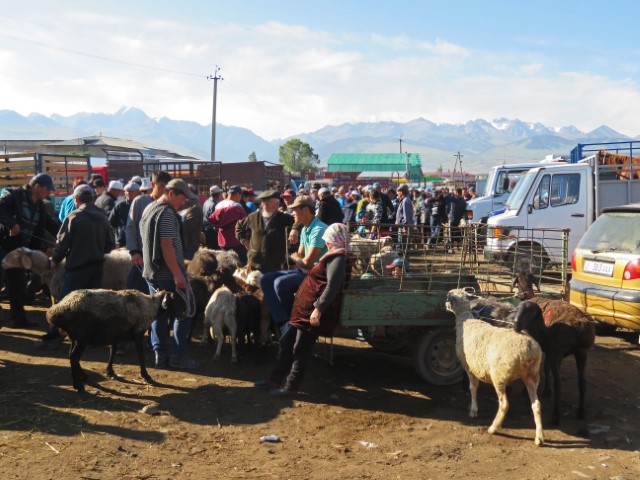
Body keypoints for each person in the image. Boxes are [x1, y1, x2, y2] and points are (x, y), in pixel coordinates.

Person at [255, 223, 351, 396]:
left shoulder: (338, 257)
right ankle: (274, 380)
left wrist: (318, 308)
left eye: (328, 240)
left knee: (300, 348)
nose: (327, 244)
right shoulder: (333, 255)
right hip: (303, 311)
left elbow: (333, 285)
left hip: (312, 313)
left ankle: (290, 387)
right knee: (288, 343)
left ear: (335, 239)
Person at [35, 184, 116, 349]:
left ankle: (53, 339)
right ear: (93, 199)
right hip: (96, 268)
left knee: (65, 305)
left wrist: (55, 260)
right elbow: (109, 245)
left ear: (76, 199)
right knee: (91, 305)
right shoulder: (102, 217)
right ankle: (90, 340)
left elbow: (62, 244)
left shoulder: (74, 216)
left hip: (76, 270)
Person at [140, 178, 198, 370]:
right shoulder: (166, 213)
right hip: (167, 273)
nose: (183, 203)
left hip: (152, 272)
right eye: (182, 199)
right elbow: (166, 245)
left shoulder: (150, 208)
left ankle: (159, 355)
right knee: (184, 312)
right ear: (171, 193)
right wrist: (177, 274)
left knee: (158, 313)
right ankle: (177, 357)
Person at [260, 195, 327, 335]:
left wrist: (296, 259)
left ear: (306, 210)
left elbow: (307, 262)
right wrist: (297, 259)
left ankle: (294, 321)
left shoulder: (318, 229)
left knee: (279, 283)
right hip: (304, 271)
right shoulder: (305, 229)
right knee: (265, 279)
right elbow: (300, 257)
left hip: (316, 276)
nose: (292, 213)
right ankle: (283, 321)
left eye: (295, 210)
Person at [0, 174, 60, 327]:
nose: (49, 193)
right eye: (48, 189)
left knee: (18, 284)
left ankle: (19, 319)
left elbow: (49, 225)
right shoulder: (14, 195)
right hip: (3, 245)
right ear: (37, 187)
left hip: (19, 250)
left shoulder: (39, 205)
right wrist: (11, 224)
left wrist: (66, 236)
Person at [236, 190, 296, 345]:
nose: (264, 204)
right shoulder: (253, 217)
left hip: (274, 267)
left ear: (276, 203)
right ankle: (255, 334)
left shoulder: (285, 219)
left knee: (270, 303)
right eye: (262, 201)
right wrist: (245, 242)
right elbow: (239, 227)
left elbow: (298, 224)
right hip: (255, 268)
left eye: (267, 201)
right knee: (253, 301)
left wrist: (295, 230)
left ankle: (271, 334)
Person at [126, 170, 172, 293]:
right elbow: (131, 227)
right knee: (134, 291)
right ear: (153, 185)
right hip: (142, 257)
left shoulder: (169, 204)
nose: (164, 190)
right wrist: (134, 251)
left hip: (162, 260)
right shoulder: (140, 201)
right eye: (162, 186)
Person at [209, 185, 248, 265]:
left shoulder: (218, 206)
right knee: (240, 264)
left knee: (226, 264)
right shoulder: (237, 207)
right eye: (240, 196)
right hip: (236, 242)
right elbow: (245, 225)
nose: (240, 198)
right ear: (237, 194)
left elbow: (214, 223)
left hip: (222, 242)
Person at [109, 181, 140, 248]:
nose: (128, 193)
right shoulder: (120, 205)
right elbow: (111, 223)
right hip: (122, 241)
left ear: (138, 192)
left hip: (138, 240)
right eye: (127, 191)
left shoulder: (141, 204)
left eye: (131, 191)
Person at [179, 183, 204, 260]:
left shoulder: (195, 208)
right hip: (183, 247)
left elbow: (184, 228)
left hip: (189, 248)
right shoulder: (182, 207)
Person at [394, 184, 415, 255]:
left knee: (401, 245)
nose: (397, 193)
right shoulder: (404, 200)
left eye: (398, 191)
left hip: (403, 227)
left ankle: (401, 262)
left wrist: (405, 228)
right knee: (401, 244)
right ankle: (401, 261)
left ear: (401, 192)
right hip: (402, 226)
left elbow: (406, 215)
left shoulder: (405, 201)